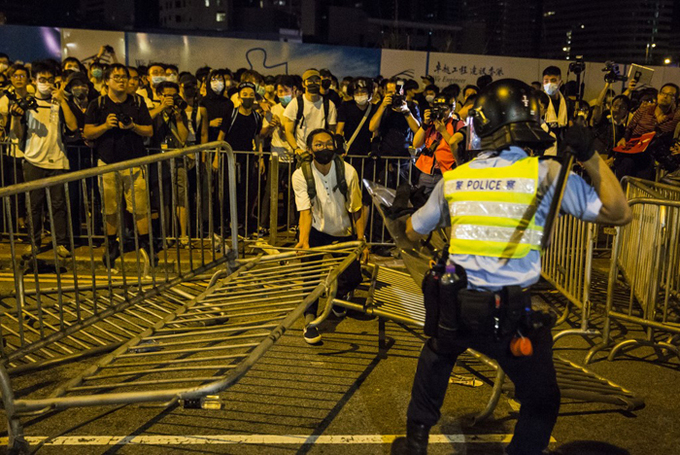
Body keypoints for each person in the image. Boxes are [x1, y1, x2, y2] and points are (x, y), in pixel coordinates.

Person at [391, 79, 632, 455]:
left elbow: (411, 231)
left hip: (454, 304)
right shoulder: (548, 173)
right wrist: (591, 156)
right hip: (508, 315)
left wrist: (402, 215)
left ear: (484, 124)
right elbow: (618, 212)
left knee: (437, 354)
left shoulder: (456, 178)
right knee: (541, 399)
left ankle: (415, 440)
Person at [292, 128, 366, 344]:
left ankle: (339, 295)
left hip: (344, 232)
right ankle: (310, 321)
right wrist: (303, 241)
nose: (324, 148)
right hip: (316, 231)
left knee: (353, 278)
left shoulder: (348, 171)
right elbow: (304, 211)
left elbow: (357, 208)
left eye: (328, 144)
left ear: (335, 146)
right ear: (309, 149)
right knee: (309, 277)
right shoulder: (301, 175)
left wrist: (361, 241)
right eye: (319, 144)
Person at [83, 63, 154, 268]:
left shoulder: (137, 102)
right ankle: (111, 246)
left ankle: (146, 244)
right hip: (107, 163)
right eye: (117, 77)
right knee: (110, 209)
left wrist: (132, 126)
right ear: (106, 81)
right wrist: (105, 126)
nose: (122, 80)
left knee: (140, 208)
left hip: (135, 163)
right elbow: (87, 132)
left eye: (124, 76)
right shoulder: (98, 104)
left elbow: (148, 130)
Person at [10, 60, 78, 258]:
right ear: (34, 80)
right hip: (33, 160)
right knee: (33, 205)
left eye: (49, 80)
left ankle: (61, 243)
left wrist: (62, 101)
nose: (46, 83)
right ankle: (34, 242)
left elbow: (73, 127)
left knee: (59, 205)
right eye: (42, 80)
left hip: (58, 159)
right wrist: (15, 118)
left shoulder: (61, 102)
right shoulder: (27, 104)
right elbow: (18, 133)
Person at [621, 82, 680, 180]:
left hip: (651, 156)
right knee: (626, 166)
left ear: (675, 99)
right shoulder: (645, 108)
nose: (665, 96)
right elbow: (630, 127)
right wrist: (624, 138)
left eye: (670, 95)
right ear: (658, 95)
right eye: (663, 93)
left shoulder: (675, 116)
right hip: (632, 150)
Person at [413, 94, 465, 194]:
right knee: (422, 203)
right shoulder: (430, 124)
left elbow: (457, 146)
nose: (441, 113)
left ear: (451, 110)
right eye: (437, 109)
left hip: (446, 173)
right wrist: (424, 124)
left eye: (444, 110)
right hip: (427, 173)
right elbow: (416, 143)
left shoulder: (458, 124)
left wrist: (443, 131)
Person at [283, 69, 337, 159]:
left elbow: (332, 130)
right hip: (302, 153)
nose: (313, 83)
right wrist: (296, 149)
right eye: (310, 81)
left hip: (321, 153)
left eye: (317, 80)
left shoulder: (329, 104)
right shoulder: (296, 103)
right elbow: (288, 131)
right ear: (304, 84)